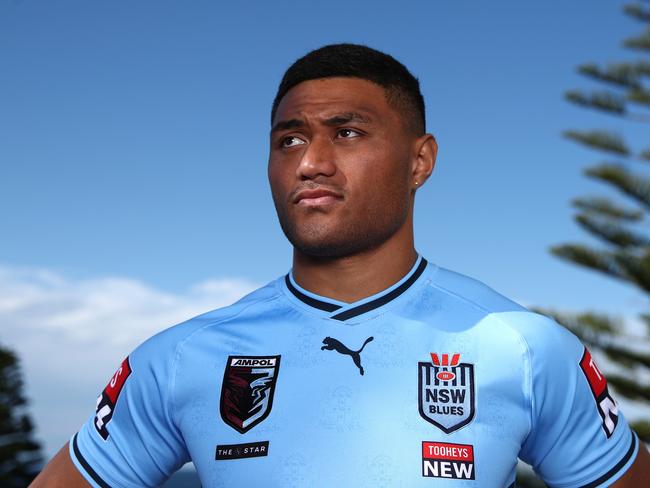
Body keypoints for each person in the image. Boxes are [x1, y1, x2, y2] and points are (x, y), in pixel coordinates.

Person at [32, 43, 649, 487]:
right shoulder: (181, 357)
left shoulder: (524, 347)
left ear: (420, 161)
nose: (310, 162)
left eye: (347, 132)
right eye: (289, 139)